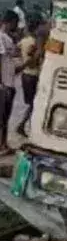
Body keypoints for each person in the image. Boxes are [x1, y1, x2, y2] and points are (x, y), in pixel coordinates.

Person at [16, 18, 45, 138]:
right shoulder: (34, 43)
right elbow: (32, 58)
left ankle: (24, 125)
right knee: (34, 103)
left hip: (25, 75)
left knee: (31, 103)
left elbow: (17, 51)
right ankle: (22, 125)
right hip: (33, 75)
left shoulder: (23, 41)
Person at [0, 10, 20, 154]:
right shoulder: (1, 37)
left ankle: (4, 144)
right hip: (4, 84)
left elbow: (9, 61)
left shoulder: (7, 38)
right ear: (9, 22)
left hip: (9, 82)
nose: (17, 26)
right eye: (15, 23)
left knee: (5, 117)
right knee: (2, 117)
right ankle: (1, 145)